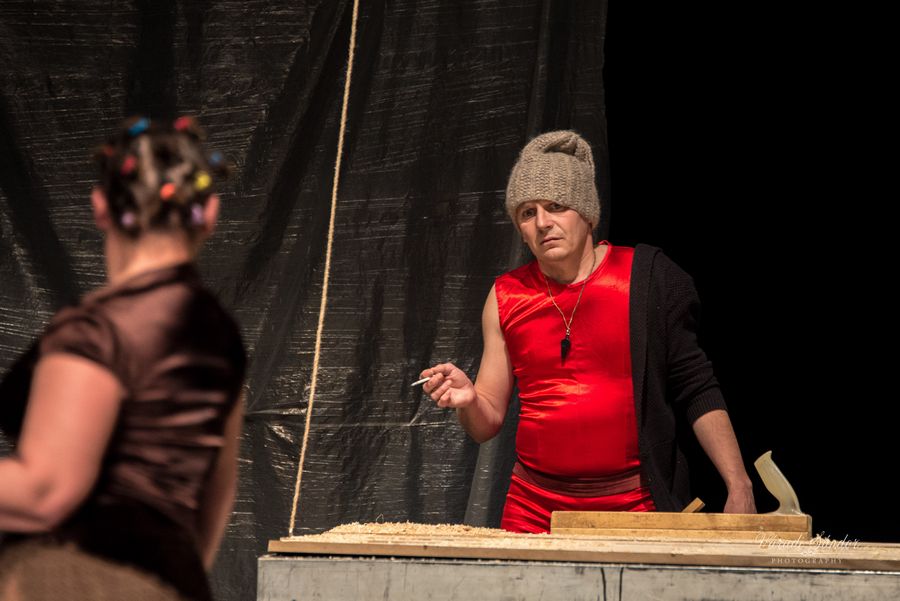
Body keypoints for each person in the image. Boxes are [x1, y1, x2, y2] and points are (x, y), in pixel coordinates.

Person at [421, 130, 756, 533]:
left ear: (588, 213)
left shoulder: (646, 279)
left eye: (556, 206)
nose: (542, 223)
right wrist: (470, 400)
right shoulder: (506, 295)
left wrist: (738, 483)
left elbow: (695, 386)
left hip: (637, 505)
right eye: (527, 213)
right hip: (533, 509)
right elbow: (486, 423)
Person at [0, 116, 245, 600]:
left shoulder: (100, 330)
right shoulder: (223, 337)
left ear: (99, 207)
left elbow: (46, 492)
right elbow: (214, 499)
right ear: (210, 214)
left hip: (68, 579)